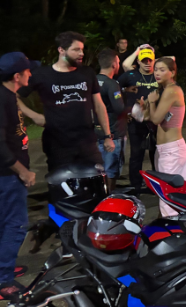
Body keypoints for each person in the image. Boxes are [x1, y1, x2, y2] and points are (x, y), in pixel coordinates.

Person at [18, 32, 113, 171]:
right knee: (63, 182)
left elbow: (99, 105)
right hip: (57, 144)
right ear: (61, 50)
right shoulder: (42, 75)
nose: (81, 53)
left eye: (82, 49)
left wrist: (107, 135)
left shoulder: (87, 73)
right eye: (76, 50)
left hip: (87, 143)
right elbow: (13, 95)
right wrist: (33, 115)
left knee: (96, 179)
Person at [0, 53, 40, 300]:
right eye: (27, 71)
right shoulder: (3, 99)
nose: (30, 74)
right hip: (8, 175)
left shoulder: (9, 95)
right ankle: (4, 281)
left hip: (7, 175)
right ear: (17, 76)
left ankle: (2, 267)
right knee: (15, 225)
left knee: (4, 223)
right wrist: (22, 171)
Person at [140, 57, 186, 217]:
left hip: (172, 150)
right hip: (166, 149)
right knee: (169, 195)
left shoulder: (171, 91)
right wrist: (146, 107)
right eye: (156, 69)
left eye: (162, 70)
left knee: (169, 198)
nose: (157, 73)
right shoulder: (165, 90)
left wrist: (152, 102)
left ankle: (171, 229)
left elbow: (156, 119)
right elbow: (150, 117)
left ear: (172, 72)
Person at [118, 45, 158, 194]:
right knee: (136, 154)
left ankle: (157, 183)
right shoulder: (130, 75)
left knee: (156, 153)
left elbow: (172, 60)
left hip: (155, 120)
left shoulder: (158, 74)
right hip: (136, 121)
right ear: (139, 61)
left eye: (150, 60)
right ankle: (136, 185)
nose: (147, 63)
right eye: (144, 60)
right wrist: (125, 110)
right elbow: (115, 89)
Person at [96, 49, 128, 192]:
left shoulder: (92, 82)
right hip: (113, 133)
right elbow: (119, 108)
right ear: (114, 64)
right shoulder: (112, 84)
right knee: (111, 170)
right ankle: (109, 195)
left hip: (96, 132)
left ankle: (100, 194)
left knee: (99, 168)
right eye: (118, 62)